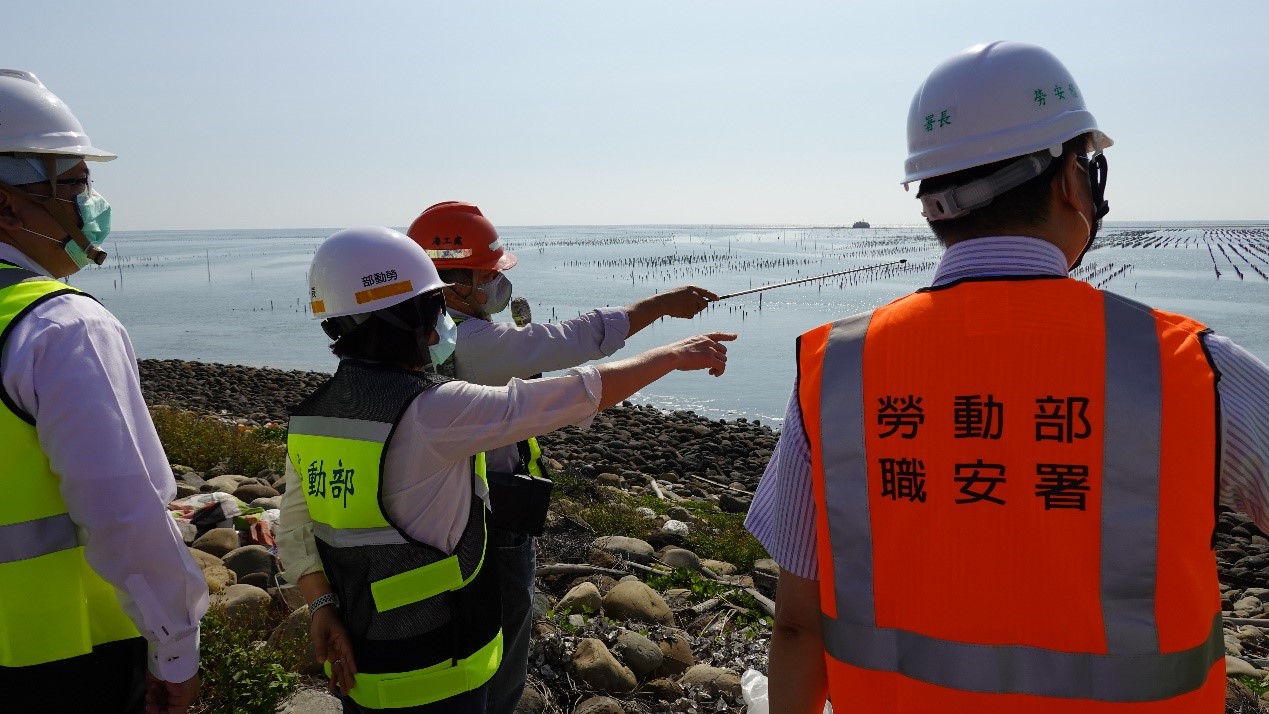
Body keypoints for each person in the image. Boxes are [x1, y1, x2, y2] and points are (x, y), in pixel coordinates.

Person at [745, 41, 1269, 713]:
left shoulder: (836, 367)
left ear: (932, 201)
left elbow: (797, 624)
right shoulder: (1192, 365)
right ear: (1070, 180)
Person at [276, 225, 733, 713]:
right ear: (407, 318)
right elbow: (575, 394)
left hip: (365, 676)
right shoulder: (433, 412)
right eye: (433, 306)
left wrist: (320, 604)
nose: (442, 320)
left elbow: (295, 526)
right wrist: (671, 355)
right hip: (443, 675)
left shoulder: (311, 417)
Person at [406, 200, 717, 712]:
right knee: (503, 642)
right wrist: (661, 310)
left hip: (444, 516)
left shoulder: (420, 338)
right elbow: (573, 343)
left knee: (463, 637)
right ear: (454, 283)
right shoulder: (472, 341)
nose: (498, 283)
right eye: (489, 274)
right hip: (491, 521)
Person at [0, 69, 208, 713]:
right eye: (76, 183)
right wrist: (175, 650)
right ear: (8, 205)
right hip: (58, 661)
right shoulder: (62, 326)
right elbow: (126, 516)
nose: (91, 204)